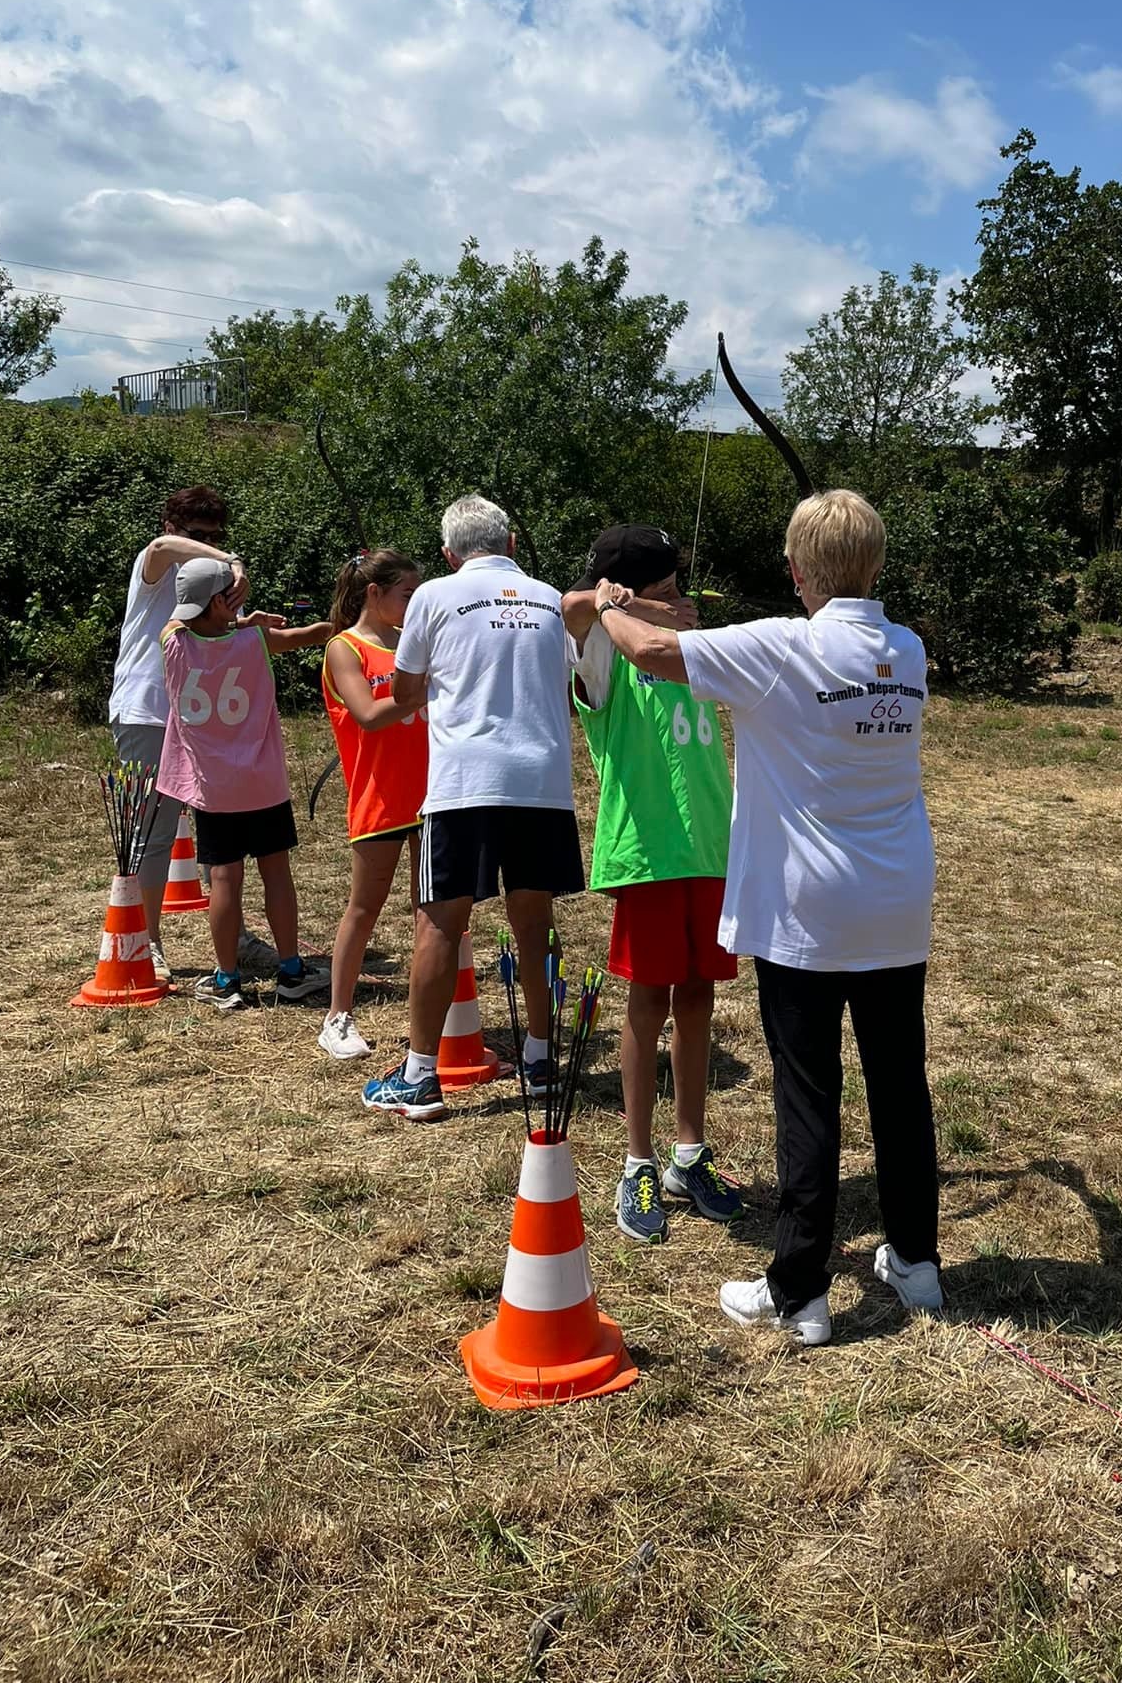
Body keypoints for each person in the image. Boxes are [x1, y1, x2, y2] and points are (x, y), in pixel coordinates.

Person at [591, 489, 941, 1346]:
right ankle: (918, 1264)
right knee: (899, 1084)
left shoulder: (783, 646)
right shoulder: (907, 648)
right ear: (878, 567)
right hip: (896, 900)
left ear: (794, 571)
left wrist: (607, 600)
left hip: (812, 911)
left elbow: (652, 649)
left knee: (809, 1093)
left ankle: (800, 1293)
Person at [362, 495, 584, 1122]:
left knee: (438, 924)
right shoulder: (550, 599)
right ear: (511, 544)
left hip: (465, 782)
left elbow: (405, 692)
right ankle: (540, 1059)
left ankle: (420, 1075)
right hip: (541, 781)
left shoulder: (431, 596)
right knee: (534, 923)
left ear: (448, 554)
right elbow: (567, 682)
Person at [563, 525, 744, 1243]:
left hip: (710, 847)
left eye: (680, 587)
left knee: (699, 995)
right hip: (648, 853)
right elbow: (570, 612)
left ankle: (688, 1155)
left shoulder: (686, 641)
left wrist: (666, 614)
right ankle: (637, 1162)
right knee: (648, 1000)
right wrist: (613, 605)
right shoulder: (606, 647)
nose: (683, 600)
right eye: (667, 588)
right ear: (634, 589)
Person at [157, 558, 334, 1007]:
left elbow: (178, 622)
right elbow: (311, 634)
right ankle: (291, 970)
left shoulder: (173, 645)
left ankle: (226, 979)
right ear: (221, 601)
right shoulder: (255, 640)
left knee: (223, 879)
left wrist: (232, 614)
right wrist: (247, 617)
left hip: (213, 790)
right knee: (276, 874)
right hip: (263, 784)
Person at [108, 487, 249, 984]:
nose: (207, 544)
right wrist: (230, 559)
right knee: (153, 833)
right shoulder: (156, 563)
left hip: (199, 714)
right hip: (146, 712)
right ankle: (146, 942)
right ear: (172, 526)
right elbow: (163, 550)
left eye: (216, 536)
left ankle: (233, 930)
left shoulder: (209, 578)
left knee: (220, 828)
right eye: (197, 535)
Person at [317, 549, 427, 1061]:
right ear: (374, 594)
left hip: (432, 795)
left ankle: (436, 1017)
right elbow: (366, 713)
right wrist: (424, 687)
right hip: (379, 797)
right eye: (407, 593)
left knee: (434, 912)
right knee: (364, 908)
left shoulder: (413, 644)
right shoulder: (346, 649)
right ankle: (337, 1016)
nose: (415, 602)